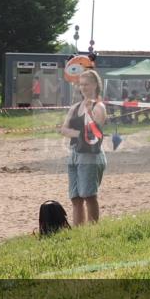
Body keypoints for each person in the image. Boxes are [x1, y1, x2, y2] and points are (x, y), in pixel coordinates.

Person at [60, 68, 107, 225]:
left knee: (89, 195)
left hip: (91, 155)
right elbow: (64, 129)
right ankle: (78, 230)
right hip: (74, 153)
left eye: (86, 84)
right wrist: (79, 133)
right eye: (81, 84)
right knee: (75, 197)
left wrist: (89, 114)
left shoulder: (99, 107)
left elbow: (96, 130)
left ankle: (93, 229)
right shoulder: (75, 107)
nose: (83, 88)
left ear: (95, 85)